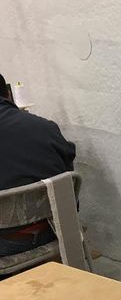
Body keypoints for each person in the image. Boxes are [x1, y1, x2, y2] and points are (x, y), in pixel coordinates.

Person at [0, 74, 76, 257]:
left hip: (7, 244)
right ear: (9, 94)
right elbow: (68, 168)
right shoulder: (45, 126)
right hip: (59, 230)